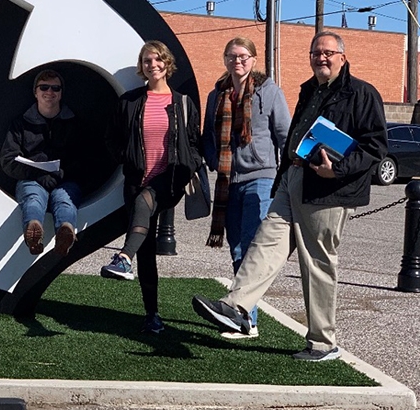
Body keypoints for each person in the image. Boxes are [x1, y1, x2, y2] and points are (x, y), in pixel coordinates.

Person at [192, 31, 387, 361]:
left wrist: (336, 171)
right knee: (265, 244)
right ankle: (234, 306)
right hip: (292, 178)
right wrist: (282, 177)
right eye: (315, 53)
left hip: (328, 189)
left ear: (342, 56)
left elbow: (375, 148)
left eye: (327, 53)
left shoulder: (361, 94)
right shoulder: (310, 90)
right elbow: (294, 139)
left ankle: (323, 343)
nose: (320, 58)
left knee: (317, 264)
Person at [100, 41, 202, 334]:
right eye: (146, 60)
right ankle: (152, 315)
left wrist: (190, 165)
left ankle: (122, 258)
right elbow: (112, 138)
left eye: (157, 59)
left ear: (167, 63)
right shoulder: (130, 101)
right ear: (141, 66)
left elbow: (193, 141)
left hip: (169, 180)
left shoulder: (182, 102)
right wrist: (126, 158)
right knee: (145, 248)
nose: (152, 64)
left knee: (146, 202)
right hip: (136, 179)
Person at [201, 36, 290, 339]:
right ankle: (243, 316)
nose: (237, 61)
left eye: (242, 56)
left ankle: (245, 318)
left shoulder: (269, 91)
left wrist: (283, 176)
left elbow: (284, 135)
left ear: (253, 59)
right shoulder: (217, 94)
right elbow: (208, 136)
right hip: (227, 181)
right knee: (237, 246)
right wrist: (214, 161)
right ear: (225, 60)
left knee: (253, 245)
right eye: (231, 56)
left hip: (261, 177)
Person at [0, 69, 86, 257]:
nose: (50, 92)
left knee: (65, 199)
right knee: (33, 198)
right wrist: (37, 174)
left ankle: (65, 232)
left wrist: (61, 174)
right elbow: (7, 160)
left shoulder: (74, 123)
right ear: (35, 92)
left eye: (55, 88)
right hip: (32, 178)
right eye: (44, 87)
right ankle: (33, 232)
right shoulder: (20, 124)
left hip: (65, 180)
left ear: (61, 93)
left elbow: (86, 157)